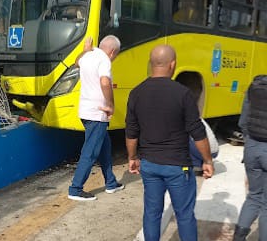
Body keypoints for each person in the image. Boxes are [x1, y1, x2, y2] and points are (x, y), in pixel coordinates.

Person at [125, 44, 214, 241]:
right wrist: (207, 160)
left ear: (151, 64)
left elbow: (131, 132)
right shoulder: (183, 93)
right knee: (184, 216)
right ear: (172, 65)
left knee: (152, 213)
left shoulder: (136, 92)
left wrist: (132, 157)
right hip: (177, 166)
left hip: (149, 165)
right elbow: (197, 132)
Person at [68, 35, 124, 201]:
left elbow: (76, 62)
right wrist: (110, 104)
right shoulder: (104, 60)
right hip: (97, 113)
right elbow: (105, 82)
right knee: (90, 152)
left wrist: (84, 51)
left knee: (105, 146)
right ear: (113, 51)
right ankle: (75, 189)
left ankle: (111, 183)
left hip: (85, 111)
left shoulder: (88, 55)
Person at [233, 75, 267, 241]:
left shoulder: (255, 85)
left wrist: (250, 142)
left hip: (252, 147)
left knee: (253, 196)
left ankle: (238, 237)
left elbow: (243, 121)